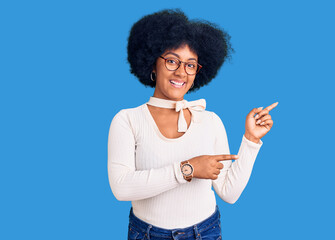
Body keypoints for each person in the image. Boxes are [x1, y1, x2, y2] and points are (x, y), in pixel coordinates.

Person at [107, 9, 278, 239]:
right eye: (171, 61)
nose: (181, 72)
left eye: (190, 65)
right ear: (152, 64)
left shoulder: (210, 121)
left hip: (205, 232)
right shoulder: (127, 120)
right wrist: (188, 169)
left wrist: (251, 139)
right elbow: (122, 187)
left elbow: (229, 193)